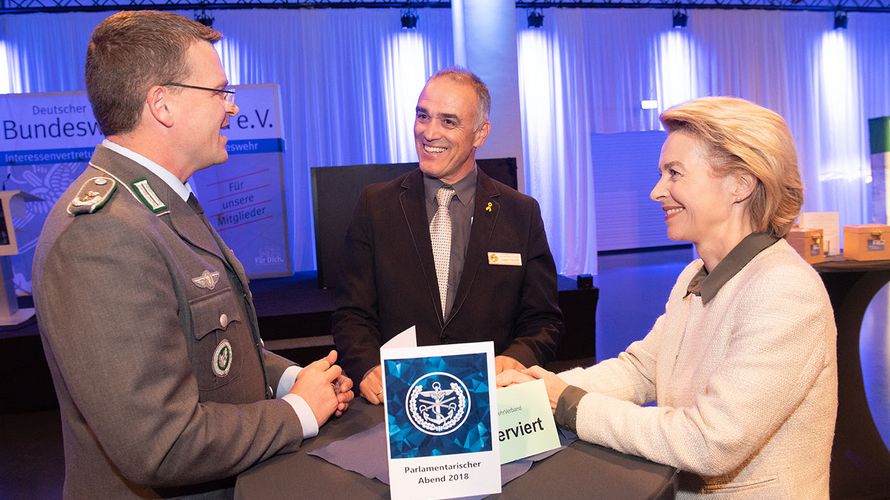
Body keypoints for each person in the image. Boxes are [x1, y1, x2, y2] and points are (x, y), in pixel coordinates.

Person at [32, 11, 353, 498]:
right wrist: (298, 413)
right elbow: (160, 443)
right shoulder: (101, 235)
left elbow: (212, 355)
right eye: (219, 92)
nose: (233, 108)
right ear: (162, 104)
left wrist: (291, 380)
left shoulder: (161, 203)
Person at [498, 97, 837, 498]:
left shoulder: (785, 291)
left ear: (741, 184)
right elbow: (640, 371)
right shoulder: (694, 277)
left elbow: (710, 441)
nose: (657, 192)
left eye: (674, 173)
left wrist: (570, 404)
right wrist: (538, 389)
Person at [332, 68, 563, 404]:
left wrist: (517, 358)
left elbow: (543, 321)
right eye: (423, 116)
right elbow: (352, 314)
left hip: (490, 406)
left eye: (449, 121)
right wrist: (367, 367)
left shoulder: (520, 214)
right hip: (399, 410)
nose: (429, 132)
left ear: (480, 133)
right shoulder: (375, 206)